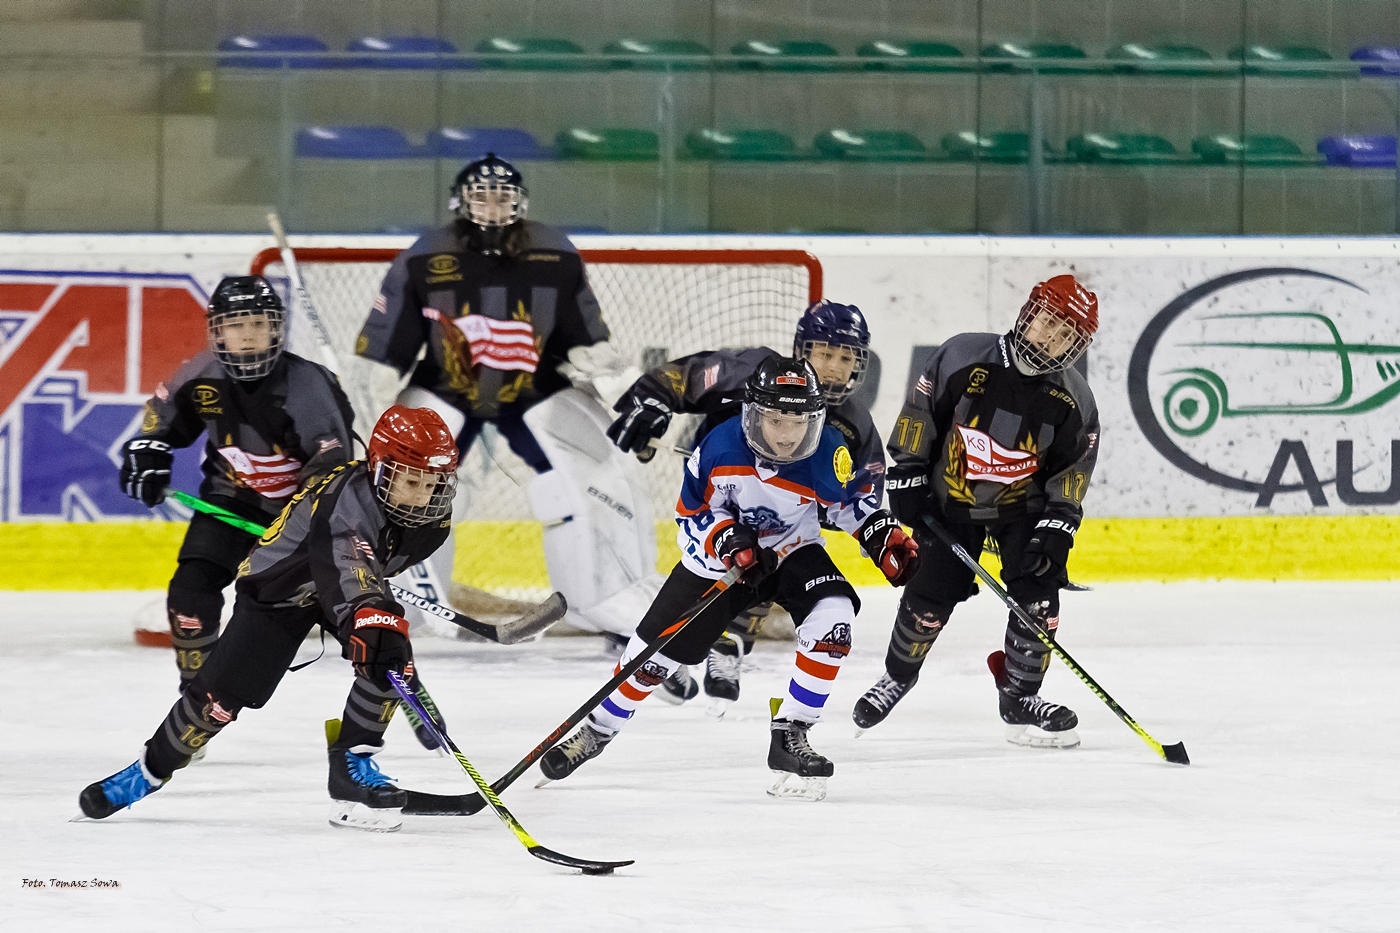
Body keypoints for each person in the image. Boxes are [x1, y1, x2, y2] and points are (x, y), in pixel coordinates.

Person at [538, 357, 918, 801]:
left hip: (791, 552)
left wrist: (880, 534)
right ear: (753, 414)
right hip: (721, 564)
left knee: (833, 620)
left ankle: (790, 735)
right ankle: (597, 730)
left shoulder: (827, 451)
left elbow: (849, 504)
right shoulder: (719, 449)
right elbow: (691, 516)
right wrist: (726, 540)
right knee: (652, 659)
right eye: (776, 420)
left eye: (798, 422)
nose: (786, 433)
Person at [79, 406, 459, 832]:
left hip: (339, 582)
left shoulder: (431, 518)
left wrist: (374, 615)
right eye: (410, 481)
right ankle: (145, 773)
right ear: (380, 468)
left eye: (432, 484)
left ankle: (351, 772)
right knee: (217, 703)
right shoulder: (346, 507)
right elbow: (347, 561)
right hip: (279, 593)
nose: (422, 495)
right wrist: (370, 610)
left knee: (387, 655)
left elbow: (361, 568)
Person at [355, 152, 653, 638]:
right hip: (445, 388)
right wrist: (372, 403)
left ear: (519, 202)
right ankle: (395, 605)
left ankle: (596, 598)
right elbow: (384, 351)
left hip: (533, 387)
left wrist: (607, 374)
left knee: (595, 477)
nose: (493, 207)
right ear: (460, 201)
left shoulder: (555, 252)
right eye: (482, 196)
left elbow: (583, 339)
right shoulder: (425, 256)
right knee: (410, 482)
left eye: (502, 197)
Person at [852, 274, 1100, 749]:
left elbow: (1074, 466)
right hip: (952, 500)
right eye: (1048, 322)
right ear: (1029, 313)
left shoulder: (1074, 398)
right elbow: (919, 413)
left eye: (1066, 333)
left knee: (1039, 596)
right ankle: (898, 676)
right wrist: (908, 473)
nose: (1051, 337)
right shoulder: (964, 355)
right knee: (930, 593)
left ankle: (1019, 695)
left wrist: (1058, 525)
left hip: (1021, 508)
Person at [606, 300, 883, 712]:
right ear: (802, 350)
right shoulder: (756, 371)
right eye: (825, 353)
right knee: (703, 570)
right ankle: (678, 649)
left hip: (781, 514)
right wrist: (653, 400)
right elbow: (687, 376)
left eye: (846, 358)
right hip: (721, 490)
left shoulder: (853, 422)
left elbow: (863, 495)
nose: (834, 368)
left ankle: (731, 642)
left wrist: (851, 515)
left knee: (771, 562)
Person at [118, 275, 354, 689]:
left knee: (351, 619)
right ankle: (196, 693)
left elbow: (331, 468)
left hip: (300, 517)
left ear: (276, 329)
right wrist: (148, 451)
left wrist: (309, 527)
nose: (248, 336)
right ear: (219, 331)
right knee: (189, 596)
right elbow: (162, 417)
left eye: (259, 324)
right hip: (231, 502)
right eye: (237, 325)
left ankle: (378, 691)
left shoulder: (309, 387)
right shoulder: (201, 374)